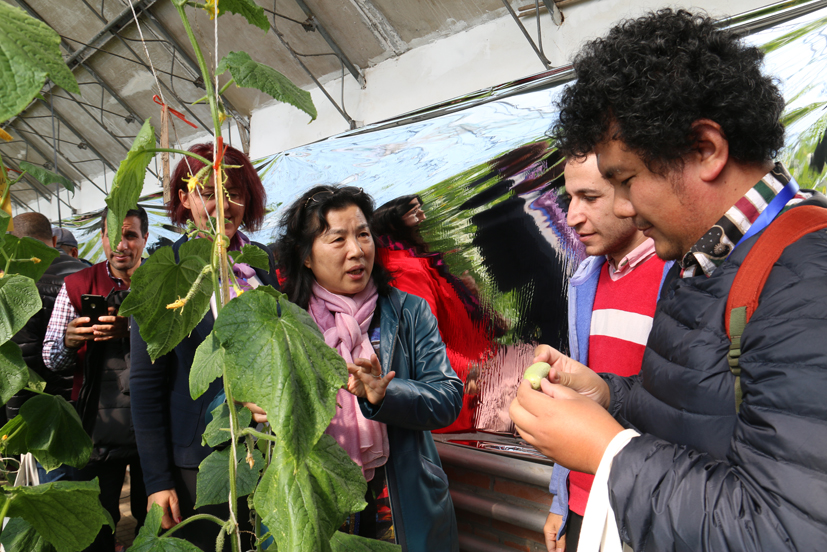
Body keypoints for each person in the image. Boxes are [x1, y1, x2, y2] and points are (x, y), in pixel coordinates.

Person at [510, 9, 827, 550]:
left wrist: (609, 452)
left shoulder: (807, 283)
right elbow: (696, 409)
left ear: (705, 149)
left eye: (625, 181)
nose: (626, 209)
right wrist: (608, 394)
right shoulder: (711, 256)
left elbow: (787, 531)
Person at [274, 185, 463, 551]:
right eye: (337, 239)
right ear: (305, 256)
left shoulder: (408, 312)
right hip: (321, 497)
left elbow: (448, 397)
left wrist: (387, 394)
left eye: (363, 234)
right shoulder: (287, 323)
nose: (356, 250)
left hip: (401, 503)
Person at [130, 143, 278, 551]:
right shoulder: (162, 273)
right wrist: (158, 481)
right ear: (184, 199)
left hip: (265, 449)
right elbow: (145, 389)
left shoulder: (261, 262)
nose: (224, 205)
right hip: (197, 461)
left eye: (234, 192)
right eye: (208, 193)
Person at [543, 156, 670, 552]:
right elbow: (580, 403)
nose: (573, 215)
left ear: (631, 190)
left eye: (590, 197)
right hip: (586, 496)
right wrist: (561, 501)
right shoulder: (585, 281)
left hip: (653, 497)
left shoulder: (677, 276)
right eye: (570, 198)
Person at [43, 206, 149, 552]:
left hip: (152, 424)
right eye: (112, 234)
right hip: (96, 426)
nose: (121, 244)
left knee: (153, 518)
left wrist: (132, 328)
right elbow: (52, 360)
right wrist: (69, 342)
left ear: (144, 239)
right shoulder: (77, 285)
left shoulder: (161, 282)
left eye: (130, 235)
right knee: (97, 520)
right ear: (101, 237)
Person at [373, 194, 500, 432]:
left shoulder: (413, 258)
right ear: (390, 218)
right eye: (414, 212)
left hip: (471, 385)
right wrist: (483, 377)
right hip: (465, 401)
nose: (424, 216)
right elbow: (424, 344)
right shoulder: (402, 269)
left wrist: (467, 294)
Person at [6, 214, 87, 426]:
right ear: (53, 241)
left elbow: (22, 364)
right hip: (92, 403)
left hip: (47, 413)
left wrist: (16, 425)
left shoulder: (18, 285)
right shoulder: (88, 274)